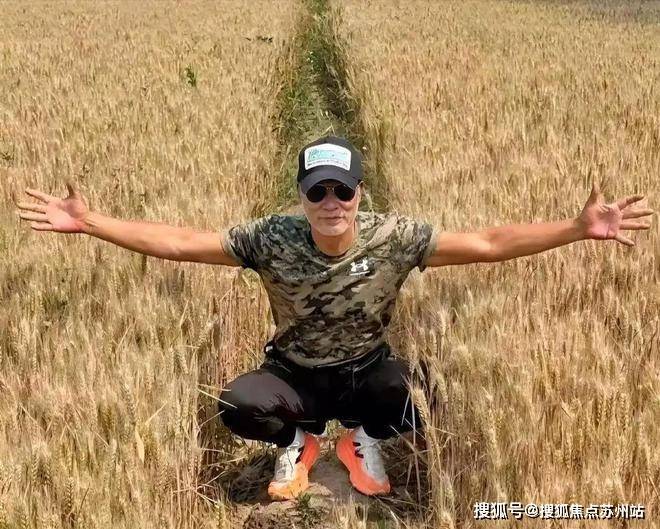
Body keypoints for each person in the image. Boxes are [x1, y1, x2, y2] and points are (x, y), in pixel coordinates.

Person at [14, 135, 654, 502]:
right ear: (302, 195)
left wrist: (575, 228)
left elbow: (488, 243)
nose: (331, 201)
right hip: (293, 374)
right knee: (237, 404)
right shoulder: (270, 238)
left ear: (359, 192)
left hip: (364, 370)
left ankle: (361, 438)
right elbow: (181, 243)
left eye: (342, 189)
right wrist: (91, 223)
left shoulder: (394, 237)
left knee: (427, 394)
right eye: (317, 189)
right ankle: (299, 442)